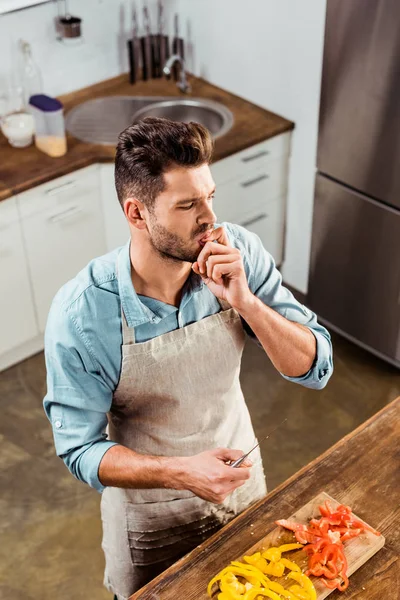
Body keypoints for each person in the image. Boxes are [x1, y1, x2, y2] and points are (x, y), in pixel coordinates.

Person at [44, 117, 333, 599]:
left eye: (210, 197)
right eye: (187, 205)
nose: (209, 218)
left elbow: (315, 367)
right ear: (137, 214)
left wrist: (246, 302)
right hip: (151, 522)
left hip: (243, 492)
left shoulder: (236, 252)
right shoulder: (82, 314)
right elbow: (79, 449)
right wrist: (181, 471)